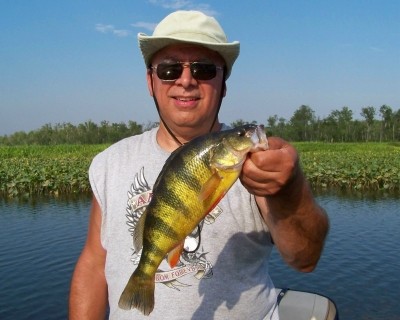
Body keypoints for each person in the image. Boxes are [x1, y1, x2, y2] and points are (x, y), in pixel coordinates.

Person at [69, 10, 329, 320]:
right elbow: (94, 263)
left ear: (224, 85)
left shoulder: (257, 164)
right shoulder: (109, 163)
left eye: (204, 70)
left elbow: (305, 259)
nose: (186, 80)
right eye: (169, 69)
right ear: (150, 82)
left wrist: (290, 188)